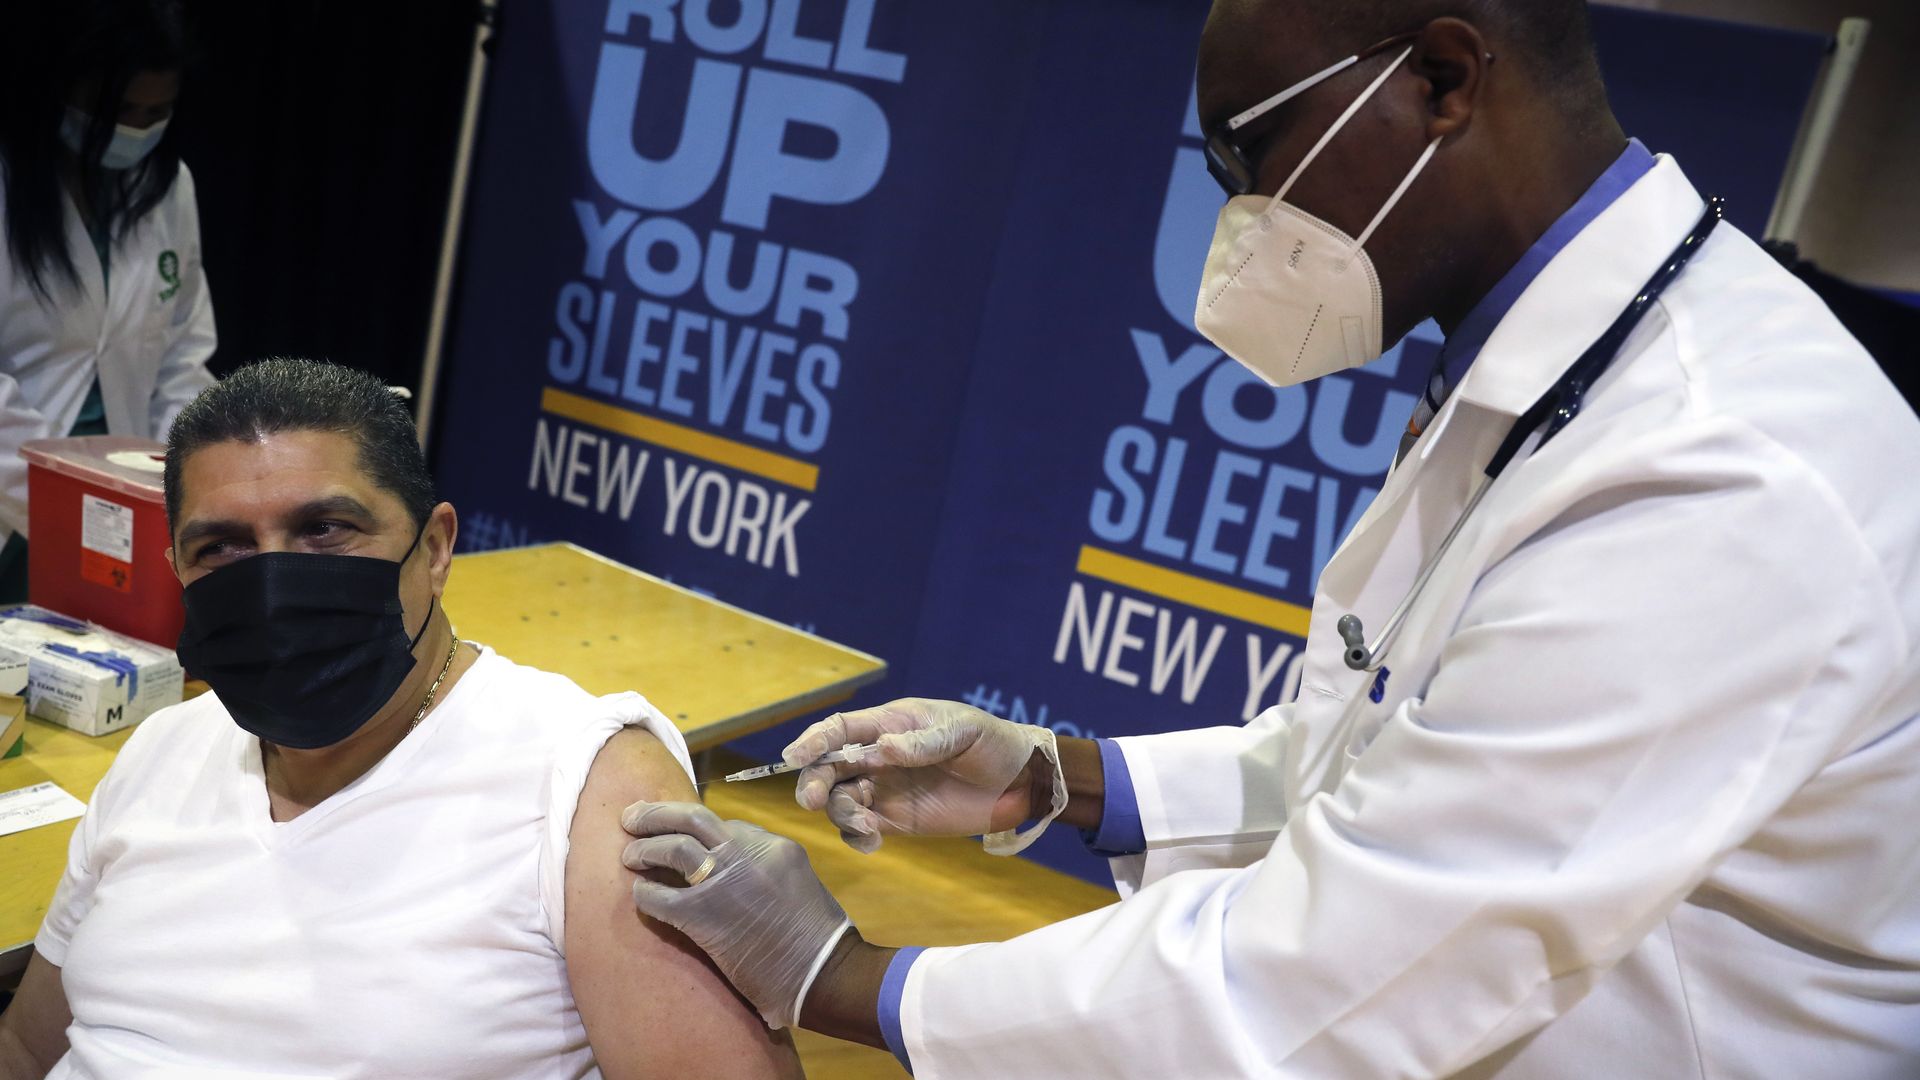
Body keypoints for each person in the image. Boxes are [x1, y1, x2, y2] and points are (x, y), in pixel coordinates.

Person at [616, 1, 1920, 1076]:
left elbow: (1342, 979)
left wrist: (848, 979)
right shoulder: (1559, 372)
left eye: (1255, 155)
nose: (1241, 226)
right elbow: (1396, 753)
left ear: (1445, 78)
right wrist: (1061, 783)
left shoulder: (1720, 474)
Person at [0, 360, 800, 1079]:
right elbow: (31, 1049)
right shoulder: (163, 749)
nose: (276, 579)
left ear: (436, 547)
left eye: (325, 530)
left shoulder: (584, 788)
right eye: (223, 548)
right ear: (177, 567)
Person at [0, 0, 217, 601]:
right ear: (60, 89)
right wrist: (67, 495)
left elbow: (181, 359)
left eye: (157, 113)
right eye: (120, 111)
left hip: (120, 516)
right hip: (18, 495)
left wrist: (189, 491)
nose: (137, 130)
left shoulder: (167, 187)